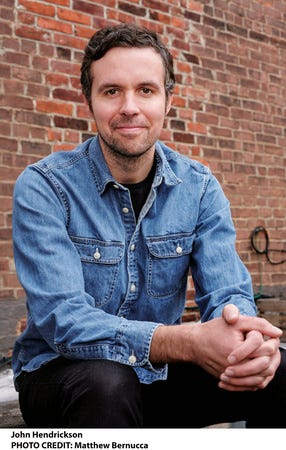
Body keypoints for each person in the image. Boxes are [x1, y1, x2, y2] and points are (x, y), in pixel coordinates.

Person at [12, 23, 286, 428]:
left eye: (145, 89)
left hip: (158, 376)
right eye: (111, 91)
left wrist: (248, 343)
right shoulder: (45, 186)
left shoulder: (199, 187)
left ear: (167, 100)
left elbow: (228, 293)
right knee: (107, 382)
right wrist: (187, 342)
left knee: (276, 370)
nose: (129, 107)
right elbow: (63, 321)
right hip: (65, 377)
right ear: (89, 100)